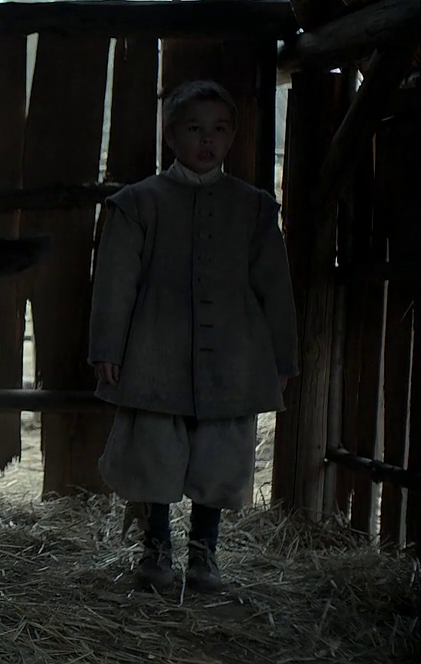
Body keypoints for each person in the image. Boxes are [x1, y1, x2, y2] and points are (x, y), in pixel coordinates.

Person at [87, 80, 298, 594]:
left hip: (232, 357)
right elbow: (114, 283)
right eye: (194, 129)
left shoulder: (254, 208)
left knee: (219, 457)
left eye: (219, 130)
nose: (208, 140)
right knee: (154, 452)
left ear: (233, 137)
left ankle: (205, 556)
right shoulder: (136, 204)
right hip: (154, 354)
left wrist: (282, 360)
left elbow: (275, 289)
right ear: (170, 136)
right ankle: (156, 550)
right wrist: (107, 349)